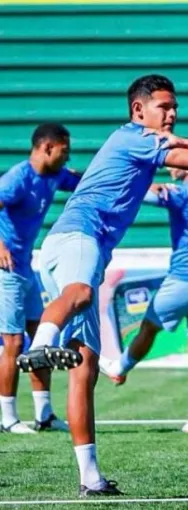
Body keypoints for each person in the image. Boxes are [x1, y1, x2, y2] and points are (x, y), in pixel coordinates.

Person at [15, 74, 188, 497]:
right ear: (138, 110)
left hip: (70, 246)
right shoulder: (135, 137)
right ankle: (39, 347)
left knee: (85, 369)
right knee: (82, 294)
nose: (173, 112)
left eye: (175, 106)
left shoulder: (154, 144)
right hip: (78, 237)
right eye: (164, 106)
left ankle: (91, 479)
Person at [98, 166, 188, 435]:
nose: (168, 166)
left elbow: (138, 194)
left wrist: (144, 180)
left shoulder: (182, 194)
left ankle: (119, 368)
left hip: (184, 278)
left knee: (148, 327)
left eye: (174, 161)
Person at [0, 123, 79, 434]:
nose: (67, 156)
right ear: (47, 148)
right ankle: (7, 418)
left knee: (39, 339)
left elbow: (87, 181)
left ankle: (44, 415)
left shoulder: (55, 175)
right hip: (6, 271)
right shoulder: (18, 178)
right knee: (14, 342)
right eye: (64, 150)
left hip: (25, 269)